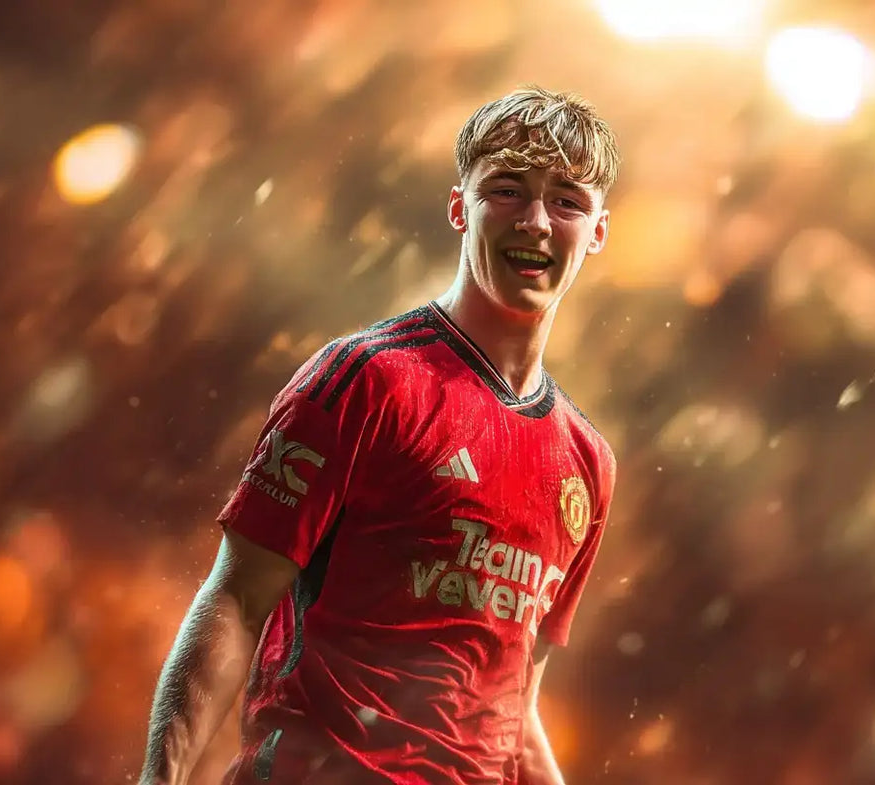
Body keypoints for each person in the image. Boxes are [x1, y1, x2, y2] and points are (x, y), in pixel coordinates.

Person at [140, 85, 620, 785]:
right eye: (508, 191)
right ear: (460, 207)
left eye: (568, 201)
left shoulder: (587, 461)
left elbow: (513, 702)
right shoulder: (363, 381)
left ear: (599, 231)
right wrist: (162, 778)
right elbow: (238, 602)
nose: (537, 222)